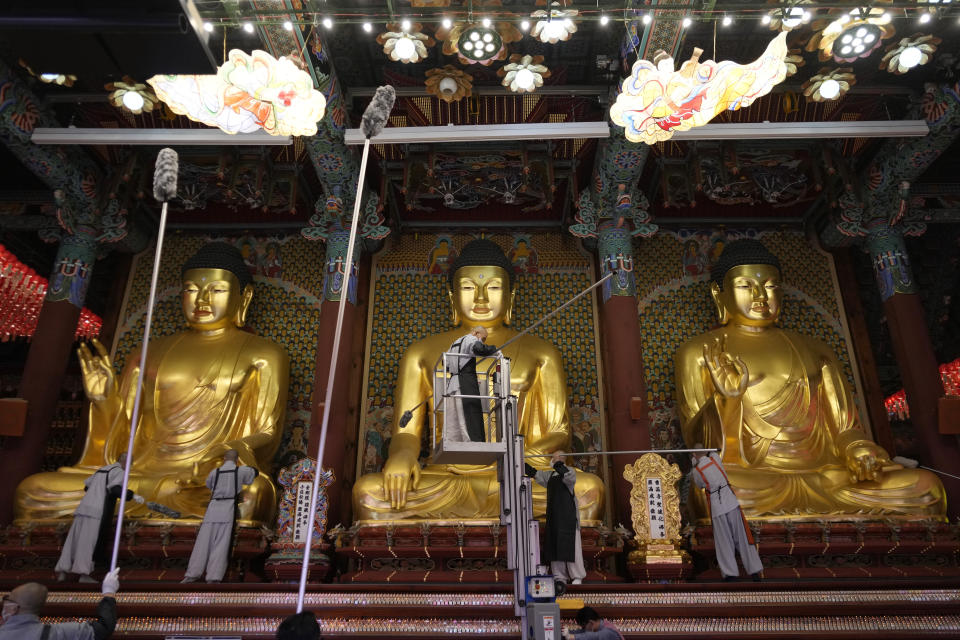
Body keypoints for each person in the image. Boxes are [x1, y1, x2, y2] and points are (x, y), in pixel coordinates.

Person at [16, 242, 289, 527]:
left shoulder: (265, 354)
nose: (202, 300)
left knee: (248, 494)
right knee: (31, 490)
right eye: (191, 290)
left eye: (217, 290)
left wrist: (225, 450)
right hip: (140, 475)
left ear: (243, 297)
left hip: (203, 476)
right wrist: (104, 399)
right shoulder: (148, 352)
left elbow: (267, 432)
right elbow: (120, 435)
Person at [673, 239, 944, 519]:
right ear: (719, 295)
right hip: (756, 479)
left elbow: (845, 428)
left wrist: (858, 448)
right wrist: (726, 400)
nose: (760, 296)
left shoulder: (817, 350)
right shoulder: (699, 352)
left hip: (828, 477)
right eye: (745, 286)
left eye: (770, 286)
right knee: (716, 489)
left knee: (926, 486)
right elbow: (700, 446)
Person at [352, 239, 604, 521]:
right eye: (469, 288)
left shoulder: (541, 352)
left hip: (518, 472)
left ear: (511, 296)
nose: (481, 298)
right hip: (447, 476)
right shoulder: (420, 353)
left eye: (494, 288)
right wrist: (402, 456)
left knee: (588, 491)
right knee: (368, 492)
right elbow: (406, 432)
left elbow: (558, 432)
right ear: (452, 296)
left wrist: (520, 456)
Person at [55, 453, 144, 583]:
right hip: (97, 511)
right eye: (130, 464)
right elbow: (114, 489)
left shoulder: (102, 469)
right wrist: (132, 496)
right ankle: (84, 574)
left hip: (84, 508)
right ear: (125, 462)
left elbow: (87, 486)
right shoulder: (119, 471)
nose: (130, 467)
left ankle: (62, 572)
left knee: (73, 540)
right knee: (89, 543)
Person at [182, 450, 257, 584]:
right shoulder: (240, 471)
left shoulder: (214, 472)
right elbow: (253, 473)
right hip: (227, 509)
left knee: (203, 542)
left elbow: (209, 485)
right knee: (221, 543)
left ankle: (191, 574)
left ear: (224, 458)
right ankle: (213, 577)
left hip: (213, 508)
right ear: (237, 459)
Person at [690, 447, 763, 581]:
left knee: (723, 541)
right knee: (742, 538)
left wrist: (695, 461)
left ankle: (730, 574)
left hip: (717, 507)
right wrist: (709, 452)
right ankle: (754, 571)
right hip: (731, 503)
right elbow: (714, 453)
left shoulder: (696, 471)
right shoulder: (716, 459)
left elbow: (700, 485)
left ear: (694, 454)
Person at [0, 569, 120, 640]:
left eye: (8, 600)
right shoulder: (57, 633)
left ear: (13, 608)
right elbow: (104, 628)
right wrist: (109, 592)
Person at [526, 451, 585, 586]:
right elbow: (535, 473)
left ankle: (577, 576)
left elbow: (568, 477)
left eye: (556, 457)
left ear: (562, 459)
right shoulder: (550, 475)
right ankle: (559, 576)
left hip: (568, 516)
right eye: (553, 457)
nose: (553, 458)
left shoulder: (569, 471)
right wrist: (518, 460)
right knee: (554, 545)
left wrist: (557, 463)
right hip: (554, 514)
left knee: (572, 547)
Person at [444, 326, 499, 443]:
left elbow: (445, 363)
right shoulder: (471, 339)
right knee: (468, 412)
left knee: (454, 415)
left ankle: (453, 441)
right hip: (465, 382)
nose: (483, 341)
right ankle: (471, 441)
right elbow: (479, 349)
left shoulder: (455, 342)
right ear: (476, 333)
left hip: (452, 383)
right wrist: (495, 350)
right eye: (483, 338)